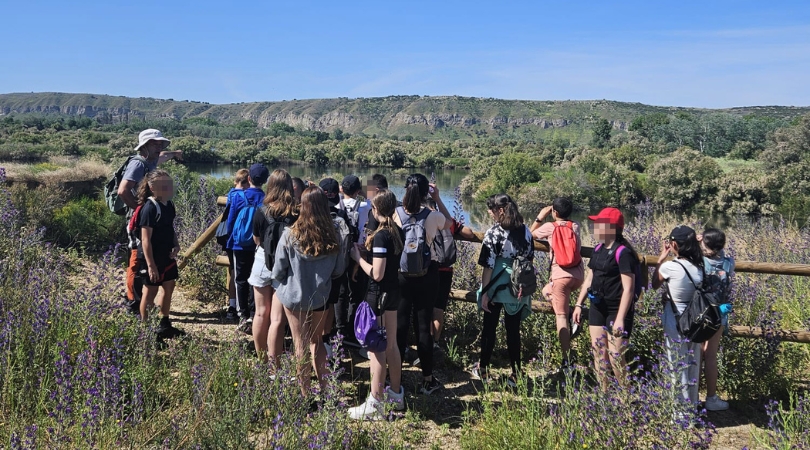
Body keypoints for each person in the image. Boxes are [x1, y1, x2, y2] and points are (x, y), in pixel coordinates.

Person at [271, 186, 347, 397]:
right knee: (317, 342)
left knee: (300, 345)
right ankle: (325, 391)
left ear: (302, 207)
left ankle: (305, 394)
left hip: (294, 298)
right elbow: (339, 270)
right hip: (320, 297)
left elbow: (278, 270)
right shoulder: (333, 236)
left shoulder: (289, 235)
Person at [348, 189, 406, 419]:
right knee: (391, 345)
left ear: (375, 209)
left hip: (379, 295)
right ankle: (395, 394)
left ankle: (375, 401)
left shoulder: (381, 235)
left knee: (376, 349)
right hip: (393, 294)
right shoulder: (396, 231)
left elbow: (377, 273)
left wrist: (359, 259)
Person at [393, 173, 452, 395]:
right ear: (426, 190)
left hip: (401, 276)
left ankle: (395, 380)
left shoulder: (395, 214)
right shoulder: (433, 216)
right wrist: (437, 199)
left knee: (399, 327)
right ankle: (428, 380)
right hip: (427, 275)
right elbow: (450, 223)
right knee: (423, 327)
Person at [471, 194, 533, 387]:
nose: (489, 213)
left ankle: (483, 370)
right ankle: (516, 374)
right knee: (513, 331)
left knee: (489, 328)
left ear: (500, 210)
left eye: (491, 209)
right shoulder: (525, 231)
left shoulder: (493, 233)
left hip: (496, 285)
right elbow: (529, 260)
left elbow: (488, 266)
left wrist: (485, 292)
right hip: (517, 286)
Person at [572, 207, 638, 390]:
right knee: (599, 354)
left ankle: (625, 399)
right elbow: (589, 279)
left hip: (616, 309)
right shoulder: (598, 249)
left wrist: (620, 319)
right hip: (597, 307)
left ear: (612, 228)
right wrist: (578, 304)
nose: (594, 227)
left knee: (616, 356)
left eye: (598, 224)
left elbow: (628, 289)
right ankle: (604, 397)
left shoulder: (623, 253)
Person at [119, 129, 182, 314]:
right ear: (144, 146)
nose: (159, 147)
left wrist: (175, 154)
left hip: (149, 217)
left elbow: (162, 157)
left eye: (161, 144)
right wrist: (140, 211)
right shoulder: (138, 164)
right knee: (136, 259)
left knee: (146, 257)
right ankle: (132, 302)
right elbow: (123, 190)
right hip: (141, 220)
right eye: (155, 143)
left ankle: (143, 302)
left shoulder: (151, 161)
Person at [248, 169, 298, 363]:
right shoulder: (295, 212)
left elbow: (256, 239)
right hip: (285, 266)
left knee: (260, 313)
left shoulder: (262, 210)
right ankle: (274, 364)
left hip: (262, 261)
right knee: (278, 319)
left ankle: (261, 359)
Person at [652, 225, 704, 405]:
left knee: (676, 363)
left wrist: (661, 258)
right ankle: (692, 405)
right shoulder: (700, 266)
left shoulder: (670, 267)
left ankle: (680, 412)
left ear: (674, 244)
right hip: (696, 318)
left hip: (675, 318)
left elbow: (654, 284)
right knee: (693, 361)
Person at [530, 197, 585, 370]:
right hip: (577, 276)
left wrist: (540, 217)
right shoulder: (575, 226)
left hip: (560, 277)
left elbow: (528, 235)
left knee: (559, 316)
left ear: (554, 212)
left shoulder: (549, 227)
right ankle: (571, 314)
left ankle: (566, 361)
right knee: (547, 291)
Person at [135, 170, 183, 339]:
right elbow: (145, 240)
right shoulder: (148, 208)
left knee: (169, 287)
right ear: (152, 187)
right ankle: (146, 332)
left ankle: (164, 323)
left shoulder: (169, 205)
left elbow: (170, 228)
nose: (169, 188)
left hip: (167, 256)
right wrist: (151, 265)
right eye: (164, 185)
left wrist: (176, 244)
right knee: (150, 292)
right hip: (151, 257)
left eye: (169, 184)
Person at [225, 163, 269, 334]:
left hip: (239, 244)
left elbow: (230, 221)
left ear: (248, 178)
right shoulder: (266, 199)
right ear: (265, 181)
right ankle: (253, 312)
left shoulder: (237, 196)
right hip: (258, 245)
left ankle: (242, 315)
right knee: (255, 279)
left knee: (241, 279)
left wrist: (230, 240)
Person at [699, 228, 734, 411]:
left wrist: (697, 242)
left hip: (699, 314)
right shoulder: (729, 263)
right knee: (711, 355)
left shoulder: (699, 261)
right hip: (720, 313)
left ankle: (693, 397)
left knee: (697, 354)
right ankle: (711, 398)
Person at [222, 169, 250, 322]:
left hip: (230, 239)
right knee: (240, 274)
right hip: (240, 240)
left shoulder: (231, 194)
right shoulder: (241, 195)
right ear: (247, 181)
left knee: (234, 272)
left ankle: (232, 306)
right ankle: (239, 308)